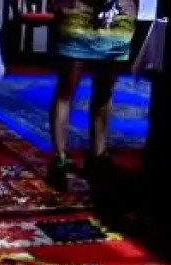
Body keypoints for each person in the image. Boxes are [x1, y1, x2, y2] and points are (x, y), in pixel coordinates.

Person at [46, 0, 137, 190]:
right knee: (67, 89)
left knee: (105, 91)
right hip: (78, 12)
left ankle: (98, 157)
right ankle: (60, 159)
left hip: (116, 17)